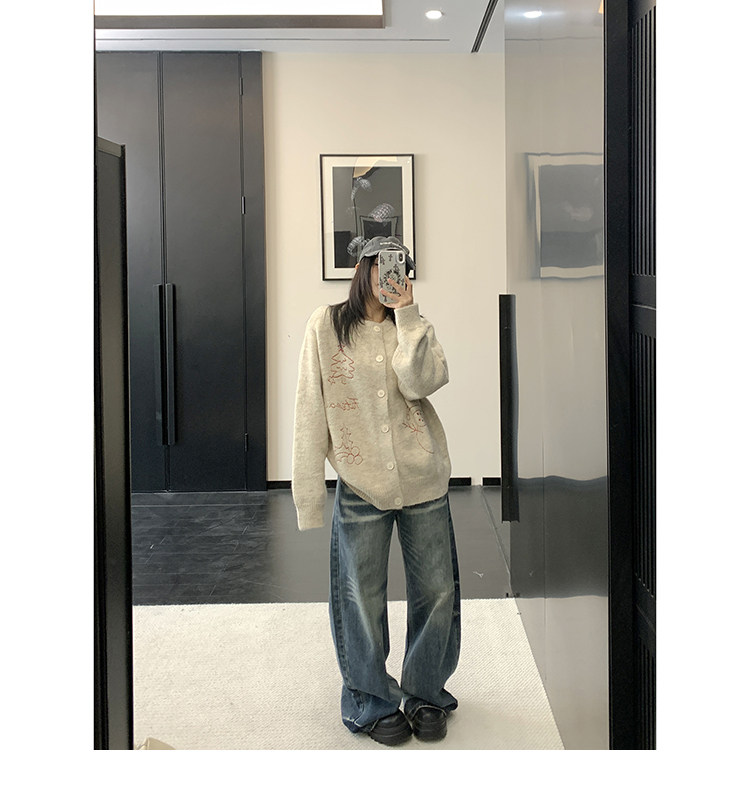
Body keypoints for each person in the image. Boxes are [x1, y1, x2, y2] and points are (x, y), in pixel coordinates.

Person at [292, 235, 461, 746]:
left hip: (422, 478)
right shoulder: (325, 325)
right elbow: (309, 410)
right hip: (362, 485)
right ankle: (370, 700)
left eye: (401, 267)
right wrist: (308, 497)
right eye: (383, 265)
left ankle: (426, 693)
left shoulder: (415, 327)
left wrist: (407, 315)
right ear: (362, 268)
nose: (392, 275)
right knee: (359, 597)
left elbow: (422, 383)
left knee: (437, 592)